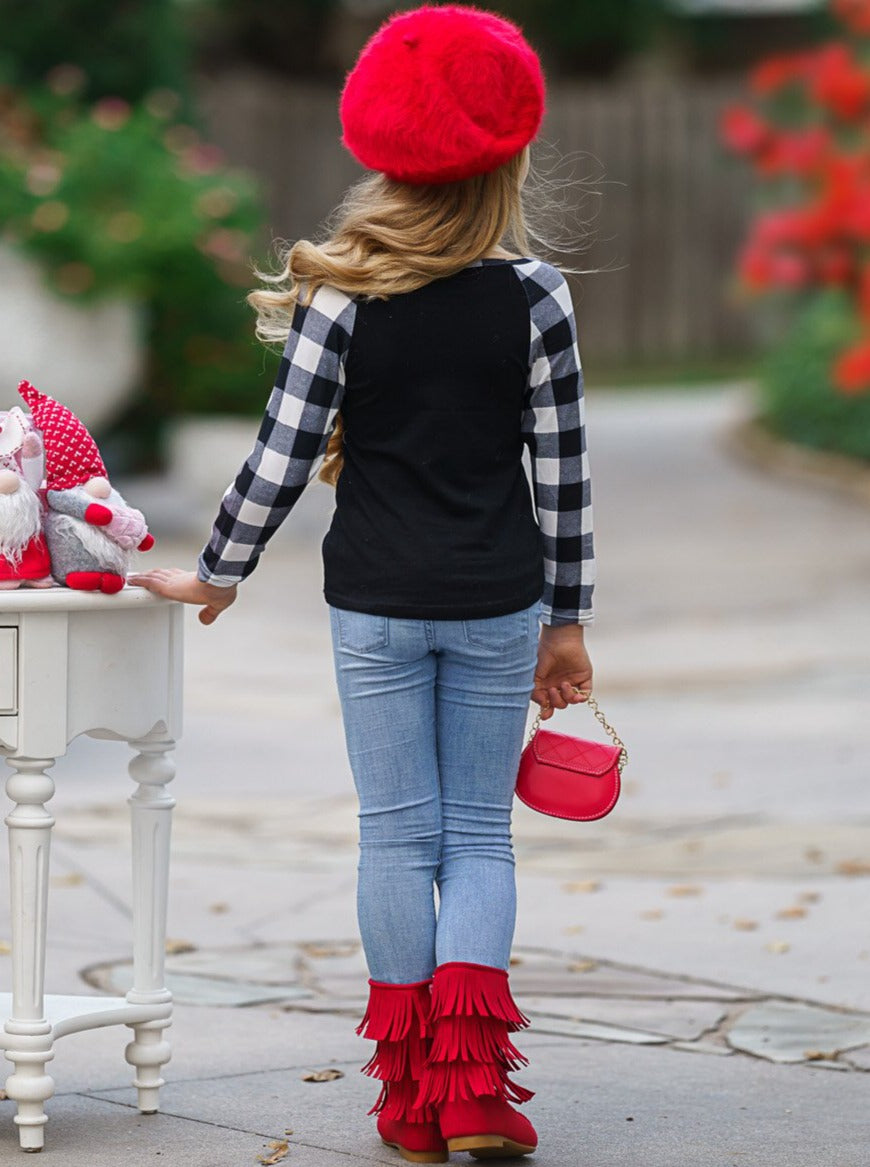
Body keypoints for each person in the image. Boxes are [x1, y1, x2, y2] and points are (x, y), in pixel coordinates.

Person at [132, 4, 595, 1162]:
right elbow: (566, 477)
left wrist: (219, 573)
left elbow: (280, 456)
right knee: (479, 841)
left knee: (396, 841)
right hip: (499, 603)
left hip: (376, 608)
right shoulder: (538, 296)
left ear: (383, 155)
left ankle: (409, 1104)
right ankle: (477, 1092)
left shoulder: (341, 294)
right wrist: (570, 622)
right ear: (508, 158)